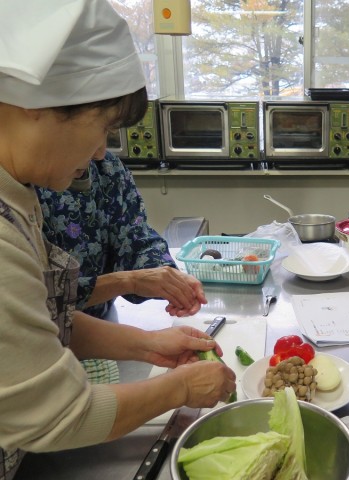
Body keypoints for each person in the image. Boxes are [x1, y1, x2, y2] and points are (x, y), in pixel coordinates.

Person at [0, 2, 235, 479]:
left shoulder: (20, 191)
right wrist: (181, 389)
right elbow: (60, 415)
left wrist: (148, 345)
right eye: (103, 128)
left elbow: (46, 321)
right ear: (37, 104)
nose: (101, 151)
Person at [36, 152, 207, 383]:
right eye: (99, 127)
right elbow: (44, 302)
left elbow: (134, 234)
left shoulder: (106, 167)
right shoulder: (23, 193)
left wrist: (165, 275)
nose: (99, 151)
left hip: (103, 333)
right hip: (44, 351)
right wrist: (129, 281)